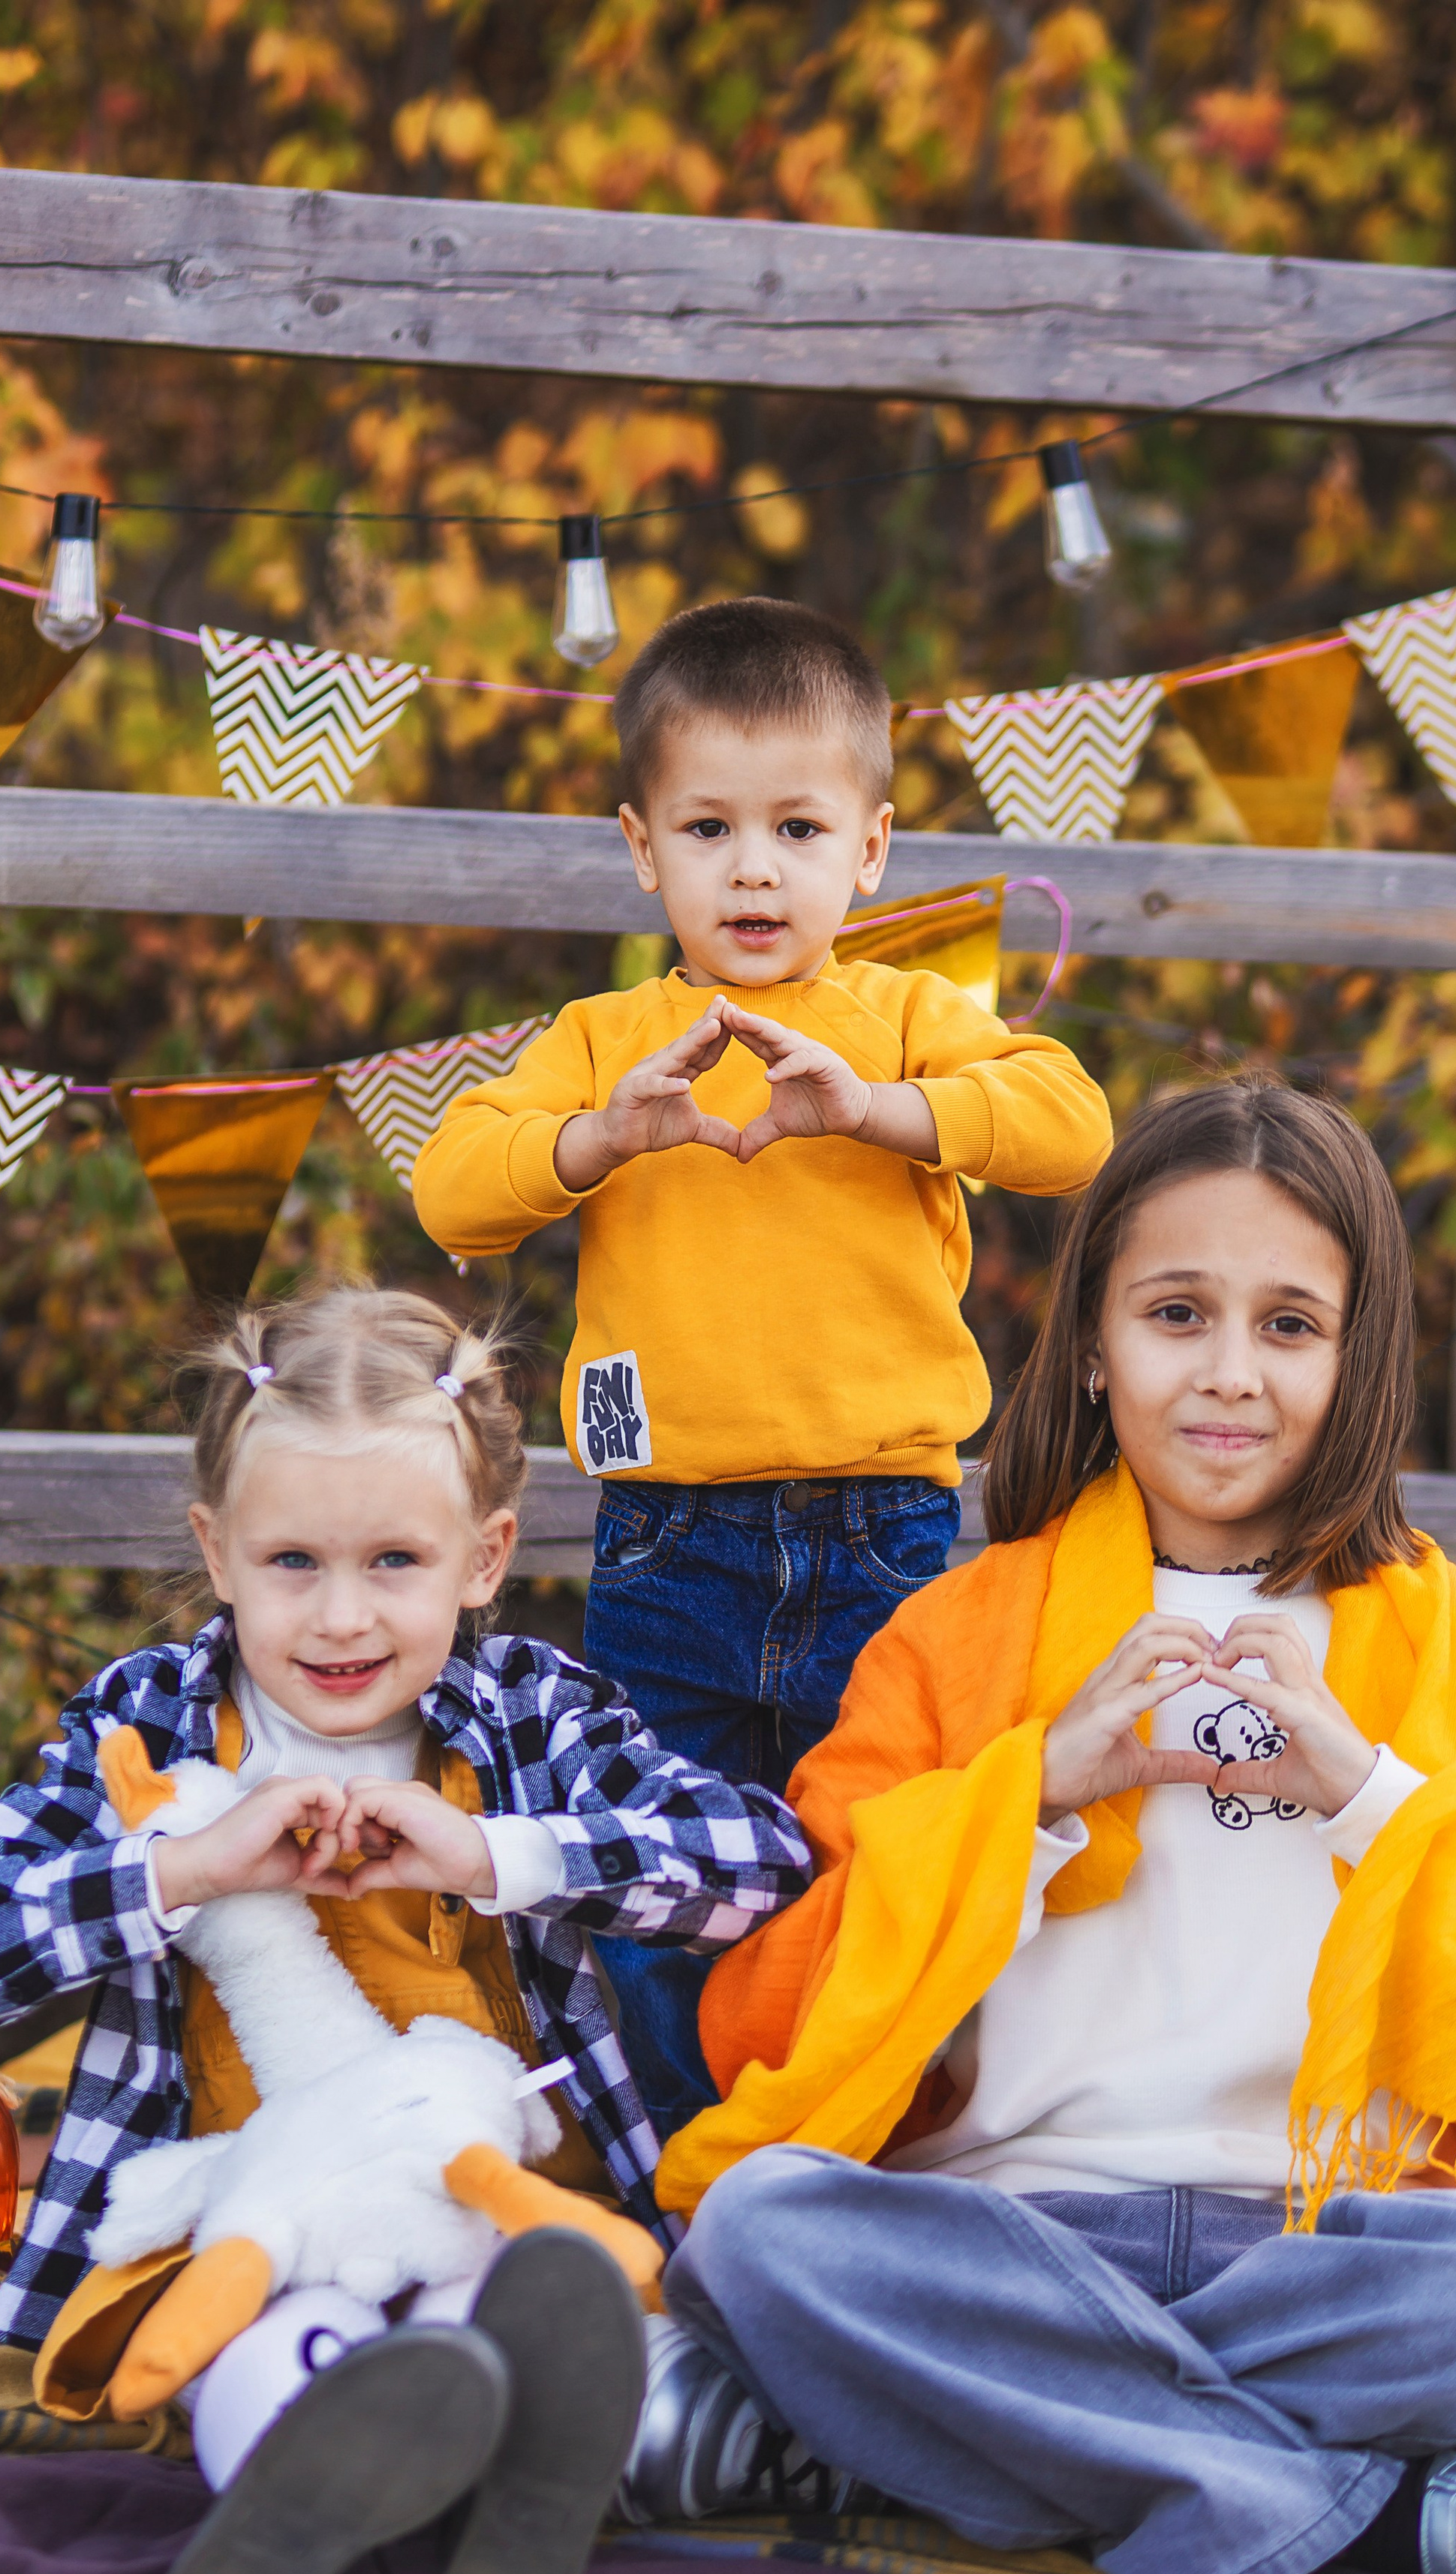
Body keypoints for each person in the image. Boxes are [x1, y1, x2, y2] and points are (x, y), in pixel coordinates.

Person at [618, 1079, 1456, 2574]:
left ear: (1355, 1360)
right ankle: (1406, 2526)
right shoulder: (961, 1636)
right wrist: (1034, 1791)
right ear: (1090, 1344)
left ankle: (888, 2438)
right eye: (1174, 1314)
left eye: (1290, 1326)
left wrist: (1374, 1797)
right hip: (1004, 2239)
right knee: (758, 2229)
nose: (1227, 1375)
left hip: (1316, 2257)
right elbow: (778, 1999)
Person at [0, 1284, 811, 2574]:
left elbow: (762, 1867)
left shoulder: (534, 1720)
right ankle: (321, 2494)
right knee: (284, 2337)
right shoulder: (145, 1726)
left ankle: (507, 2492)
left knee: (500, 2315)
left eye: (394, 1562)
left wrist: (498, 1850)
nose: (339, 1617)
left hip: (483, 2197)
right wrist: (182, 1871)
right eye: (292, 1562)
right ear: (218, 1552)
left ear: (485, 1558)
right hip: (238, 2223)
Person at [411, 596, 1112, 2140]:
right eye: (707, 827)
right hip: (669, 1543)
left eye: (795, 827)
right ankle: (689, 2158)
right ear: (640, 846)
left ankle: (857, 2135)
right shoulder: (606, 1041)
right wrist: (597, 1141)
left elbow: (1072, 1127)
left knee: (883, 1848)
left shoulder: (910, 1024)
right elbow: (451, 1186)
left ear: (868, 849)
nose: (751, 867)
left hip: (884, 1534)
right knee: (653, 1867)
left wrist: (881, 1113)